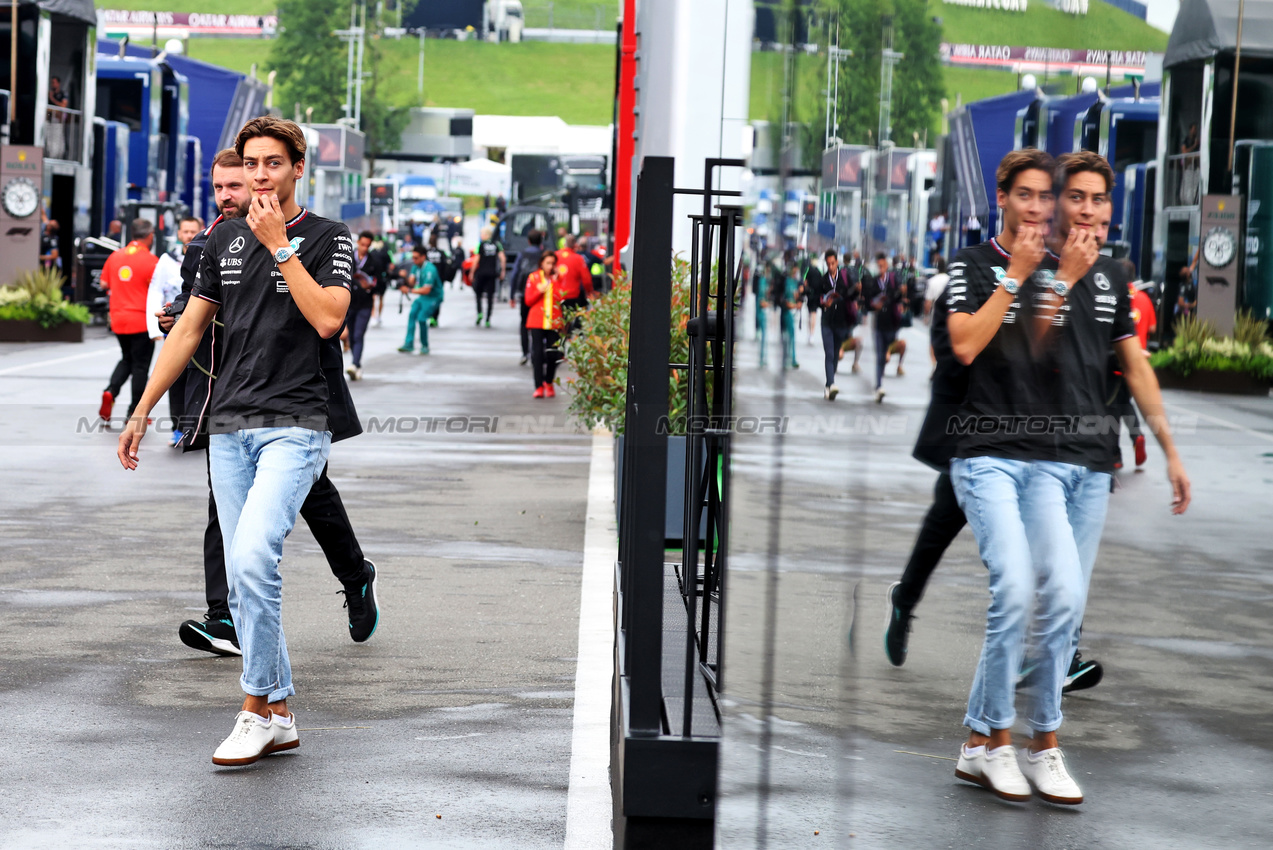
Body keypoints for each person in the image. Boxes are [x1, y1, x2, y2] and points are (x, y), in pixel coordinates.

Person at [945, 149, 1190, 805]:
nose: (1085, 212)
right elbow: (1007, 348)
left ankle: (982, 739)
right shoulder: (998, 267)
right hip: (1016, 456)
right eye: (1071, 198)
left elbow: (1133, 367)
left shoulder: (1110, 277)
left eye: (1097, 201)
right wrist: (1048, 277)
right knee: (1028, 595)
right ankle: (1024, 742)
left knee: (1060, 605)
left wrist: (1166, 446)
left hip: (1087, 461)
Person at [118, 116, 363, 768]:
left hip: (297, 426)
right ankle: (278, 712)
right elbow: (189, 331)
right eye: (251, 164)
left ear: (296, 168)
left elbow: (329, 319)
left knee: (252, 558)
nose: (259, 175)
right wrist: (141, 409)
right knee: (246, 574)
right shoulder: (220, 239)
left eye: (272, 163)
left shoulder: (328, 238)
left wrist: (280, 245)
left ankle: (254, 707)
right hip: (229, 429)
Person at [156, 147, 379, 665]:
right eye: (222, 187)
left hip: (296, 397)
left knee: (313, 498)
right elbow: (193, 313)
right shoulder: (209, 243)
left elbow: (324, 317)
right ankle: (226, 614)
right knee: (224, 506)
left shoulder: (316, 235)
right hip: (226, 394)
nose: (234, 195)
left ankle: (355, 576)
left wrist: (281, 251)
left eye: (239, 184)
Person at [146, 215, 203, 446]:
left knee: (198, 378)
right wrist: (155, 328)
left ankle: (198, 427)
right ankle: (178, 427)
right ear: (179, 234)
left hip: (202, 328)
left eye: (193, 231)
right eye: (185, 232)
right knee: (175, 378)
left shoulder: (209, 252)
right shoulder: (167, 260)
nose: (189, 235)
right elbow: (155, 292)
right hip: (174, 328)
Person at [99, 218, 160, 421]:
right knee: (141, 366)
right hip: (141, 321)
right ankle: (135, 412)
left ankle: (111, 391)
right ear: (150, 235)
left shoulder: (115, 257)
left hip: (118, 319)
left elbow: (103, 283)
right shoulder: (152, 261)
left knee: (127, 359)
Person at [804, 249, 859, 400]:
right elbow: (816, 299)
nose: (830, 266)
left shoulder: (845, 277)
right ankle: (832, 383)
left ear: (837, 262)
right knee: (829, 353)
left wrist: (856, 291)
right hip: (827, 322)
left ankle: (829, 385)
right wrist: (824, 303)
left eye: (833, 263)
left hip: (841, 322)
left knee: (835, 355)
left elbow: (851, 296)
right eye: (828, 264)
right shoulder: (822, 280)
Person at [865, 252, 907, 403]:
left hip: (892, 324)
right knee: (880, 355)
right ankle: (879, 386)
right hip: (879, 325)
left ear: (887, 266)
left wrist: (901, 294)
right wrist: (874, 305)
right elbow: (869, 302)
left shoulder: (894, 280)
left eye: (883, 266)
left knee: (885, 355)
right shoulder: (874, 282)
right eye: (879, 266)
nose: (881, 268)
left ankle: (883, 377)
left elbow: (899, 298)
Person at [525, 251, 564, 397]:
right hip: (537, 321)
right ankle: (538, 386)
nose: (550, 266)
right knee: (537, 355)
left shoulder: (558, 279)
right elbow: (528, 301)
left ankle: (549, 381)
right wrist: (538, 291)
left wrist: (556, 280)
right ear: (542, 263)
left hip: (554, 322)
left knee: (554, 354)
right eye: (548, 263)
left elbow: (562, 298)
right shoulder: (533, 278)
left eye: (553, 263)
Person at [344, 231, 381, 381]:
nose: (365, 248)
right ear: (358, 242)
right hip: (349, 303)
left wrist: (371, 287)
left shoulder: (374, 261)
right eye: (363, 244)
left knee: (358, 334)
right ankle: (356, 364)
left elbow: (380, 283)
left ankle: (355, 363)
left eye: (368, 245)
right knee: (351, 335)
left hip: (365, 304)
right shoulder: (346, 257)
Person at [398, 244, 442, 354]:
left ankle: (424, 346)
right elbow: (412, 283)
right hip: (423, 297)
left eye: (416, 258)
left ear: (423, 257)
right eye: (413, 257)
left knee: (422, 318)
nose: (414, 260)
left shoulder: (430, 269)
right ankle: (409, 344)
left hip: (433, 297)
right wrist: (406, 278)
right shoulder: (415, 267)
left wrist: (408, 290)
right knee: (412, 314)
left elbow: (426, 290)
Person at [510, 229, 545, 365]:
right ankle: (538, 351)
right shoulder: (544, 256)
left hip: (526, 294)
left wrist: (512, 294)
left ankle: (525, 353)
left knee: (524, 323)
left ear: (528, 241)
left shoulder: (522, 254)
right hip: (542, 295)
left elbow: (515, 274)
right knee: (540, 324)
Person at [473, 226, 505, 326]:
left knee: (478, 294)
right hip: (492, 273)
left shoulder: (480, 245)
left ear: (486, 235)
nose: (481, 236)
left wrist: (471, 272)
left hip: (481, 273)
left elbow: (476, 259)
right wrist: (502, 271)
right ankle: (488, 318)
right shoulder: (497, 244)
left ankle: (480, 313)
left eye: (482, 234)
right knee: (490, 297)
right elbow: (502, 258)